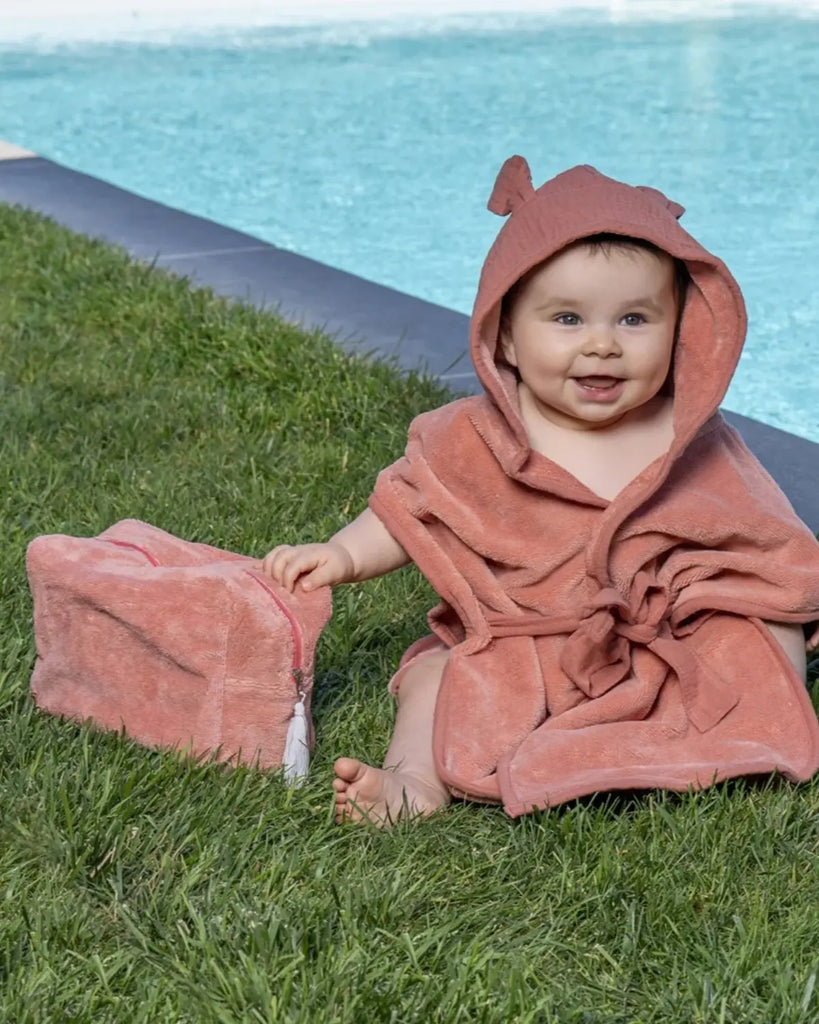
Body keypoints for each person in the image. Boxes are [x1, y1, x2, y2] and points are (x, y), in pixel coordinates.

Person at [264, 157, 819, 825]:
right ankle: (413, 784)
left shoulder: (688, 437)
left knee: (756, 627)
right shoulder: (476, 435)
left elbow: (752, 541)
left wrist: (772, 604)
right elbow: (411, 505)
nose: (602, 346)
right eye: (566, 320)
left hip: (664, 638)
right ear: (505, 335)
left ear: (679, 331)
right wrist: (342, 556)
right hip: (520, 646)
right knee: (434, 677)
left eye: (634, 321)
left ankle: (749, 733)